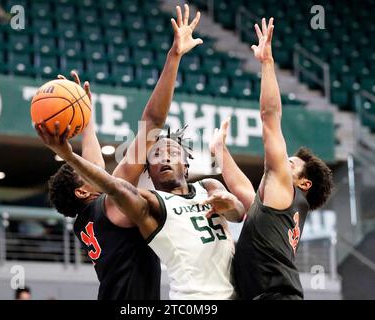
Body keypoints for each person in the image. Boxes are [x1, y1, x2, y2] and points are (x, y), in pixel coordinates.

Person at [45, 5, 205, 300]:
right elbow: (153, 125)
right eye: (85, 171)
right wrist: (174, 57)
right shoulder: (111, 204)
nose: (96, 168)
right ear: (83, 192)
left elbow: (93, 165)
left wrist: (86, 121)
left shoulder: (89, 218)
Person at [209, 17, 334, 300]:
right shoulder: (281, 208)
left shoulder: (283, 189)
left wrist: (267, 63)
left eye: (291, 163)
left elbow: (270, 117)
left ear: (304, 183)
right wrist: (221, 152)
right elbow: (244, 192)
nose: (282, 162)